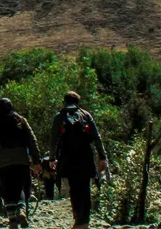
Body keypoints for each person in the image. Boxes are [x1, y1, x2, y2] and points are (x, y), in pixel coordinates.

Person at [50, 92, 108, 229]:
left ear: (64, 102)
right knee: (85, 188)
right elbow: (97, 137)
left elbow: (53, 139)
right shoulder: (86, 115)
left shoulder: (59, 116)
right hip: (85, 157)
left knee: (74, 187)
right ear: (78, 102)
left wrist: (52, 158)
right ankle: (85, 221)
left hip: (68, 157)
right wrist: (102, 157)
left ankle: (78, 218)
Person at [0, 98, 41, 229]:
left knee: (7, 187)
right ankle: (21, 209)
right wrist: (37, 161)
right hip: (20, 157)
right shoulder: (20, 120)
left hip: (0, 159)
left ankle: (12, 220)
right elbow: (31, 140)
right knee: (20, 186)